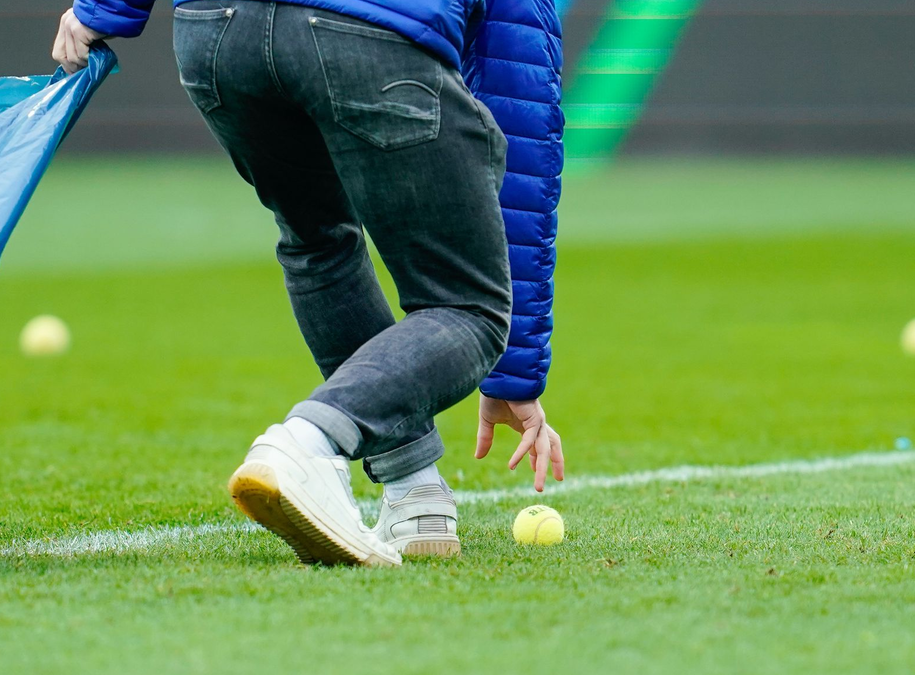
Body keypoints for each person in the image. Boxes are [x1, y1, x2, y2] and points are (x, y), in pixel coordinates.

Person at [52, 0, 564, 566]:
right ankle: (307, 444)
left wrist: (103, 9)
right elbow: (519, 101)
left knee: (316, 240)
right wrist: (514, 372)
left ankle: (415, 492)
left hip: (217, 33)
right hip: (366, 32)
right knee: (469, 306)